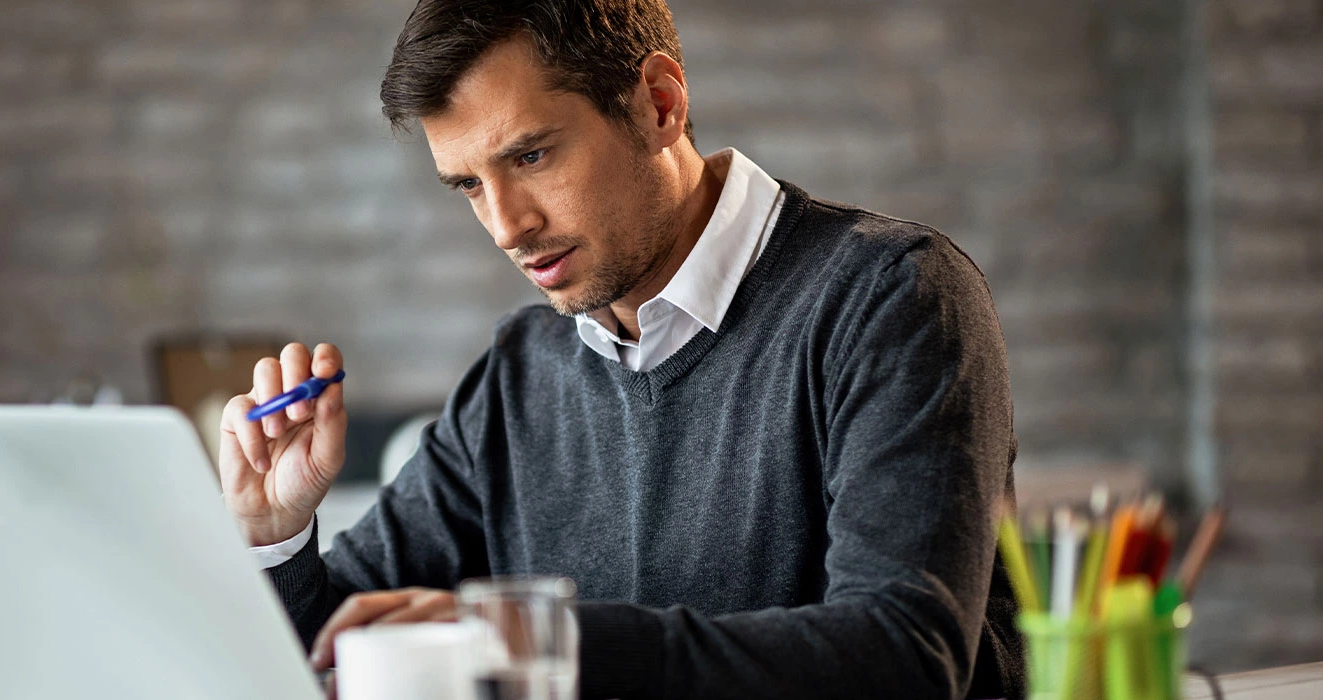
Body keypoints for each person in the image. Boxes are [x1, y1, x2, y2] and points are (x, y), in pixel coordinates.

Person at [216, 1, 1024, 698]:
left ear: (659, 104)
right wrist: (276, 536)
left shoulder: (893, 298)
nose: (505, 227)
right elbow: (338, 648)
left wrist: (544, 641)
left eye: (530, 156)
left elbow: (903, 660)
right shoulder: (519, 376)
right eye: (467, 185)